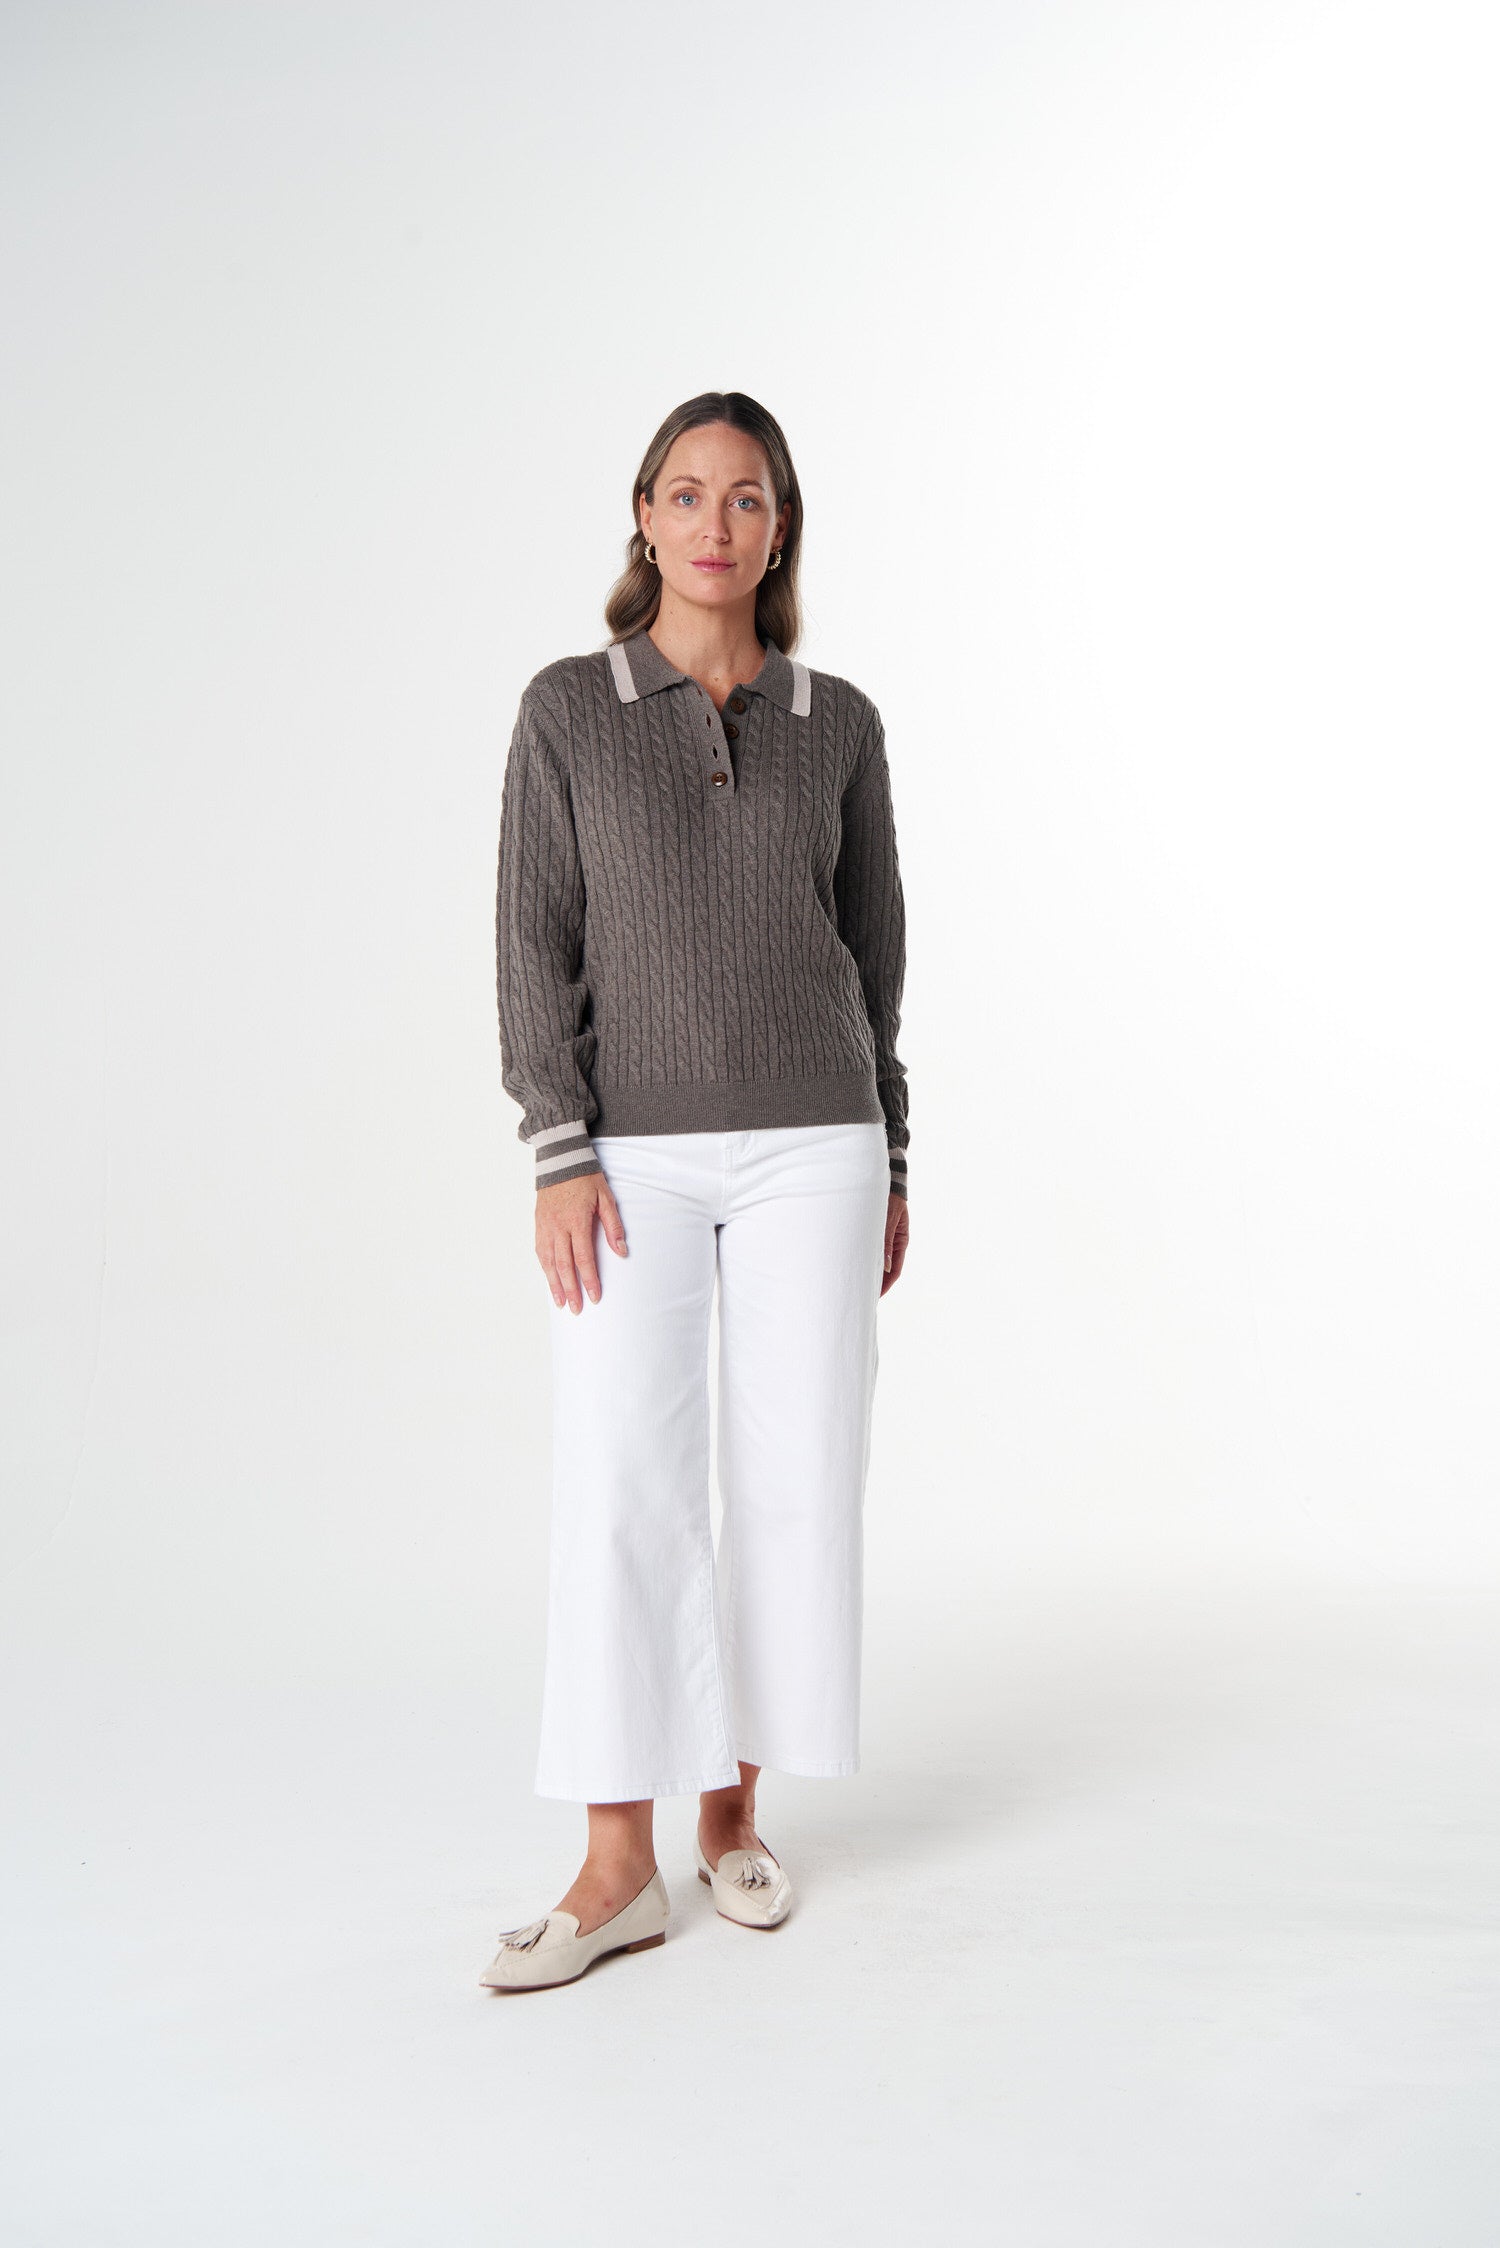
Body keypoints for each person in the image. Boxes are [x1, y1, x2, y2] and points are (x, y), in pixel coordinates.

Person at [481, 390, 911, 1993]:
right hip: (631, 1156)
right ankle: (617, 1865)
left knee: (795, 1480)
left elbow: (875, 953)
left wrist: (896, 1149)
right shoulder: (568, 708)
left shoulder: (838, 721)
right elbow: (532, 937)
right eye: (685, 492)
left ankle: (732, 1810)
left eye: (745, 497)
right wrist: (558, 1142)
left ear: (778, 527)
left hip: (818, 1142)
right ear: (644, 518)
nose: (713, 522)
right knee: (622, 1480)